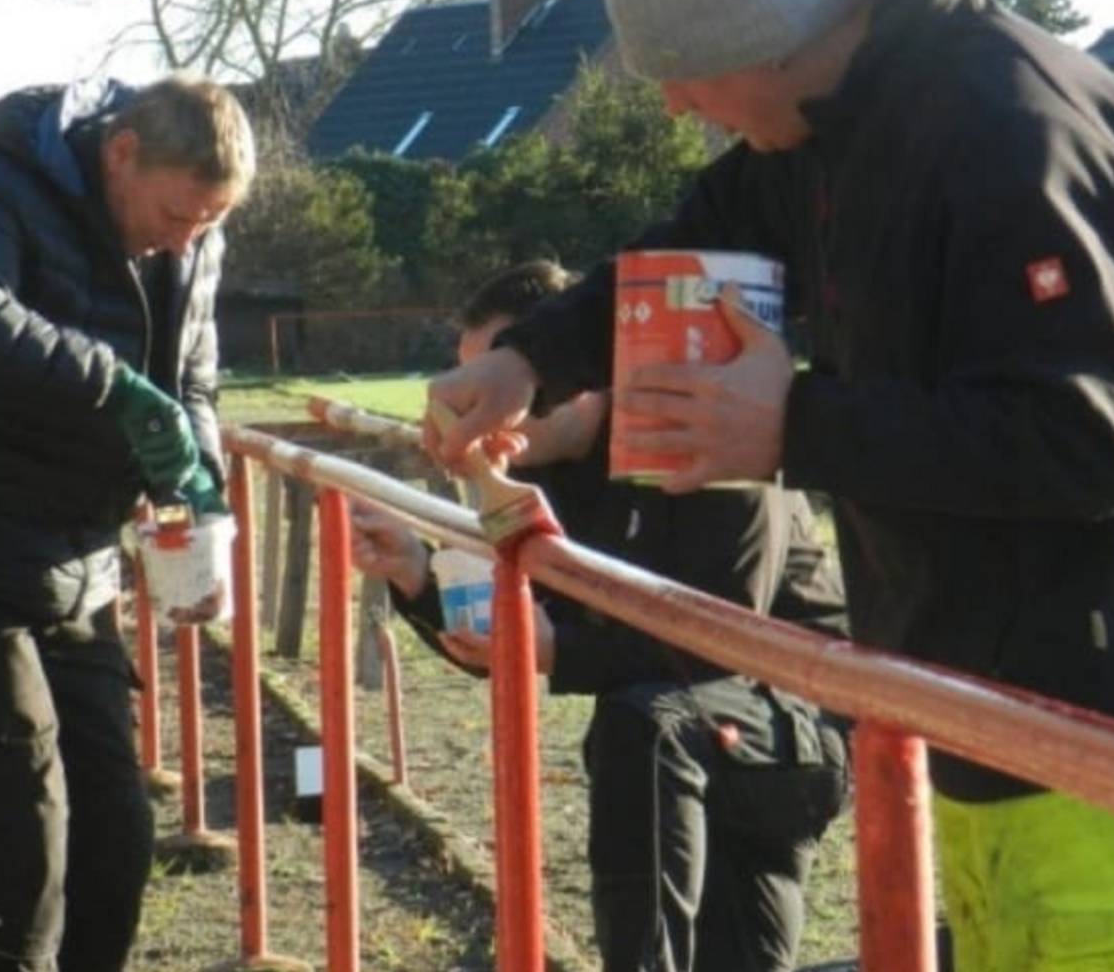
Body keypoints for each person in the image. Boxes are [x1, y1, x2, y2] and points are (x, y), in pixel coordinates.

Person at [424, 0, 1114, 970]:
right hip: (967, 686)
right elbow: (690, 243)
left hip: (1103, 700)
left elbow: (1088, 437)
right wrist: (529, 361)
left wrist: (794, 426)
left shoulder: (1015, 125)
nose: (682, 106)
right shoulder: (820, 132)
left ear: (765, 34)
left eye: (684, 74)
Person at [0, 75, 254, 972]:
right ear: (121, 154)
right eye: (179, 215)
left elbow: (189, 385)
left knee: (115, 831)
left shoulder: (190, 243)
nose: (186, 242)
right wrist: (119, 394)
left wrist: (201, 484)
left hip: (75, 563)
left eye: (209, 225)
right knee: (21, 834)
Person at [352, 260, 851, 972]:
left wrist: (563, 650)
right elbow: (514, 636)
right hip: (689, 734)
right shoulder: (530, 473)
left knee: (642, 727)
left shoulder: (698, 435)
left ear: (572, 372)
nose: (485, 420)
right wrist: (419, 577)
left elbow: (722, 640)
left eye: (504, 390)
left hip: (794, 724)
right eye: (473, 391)